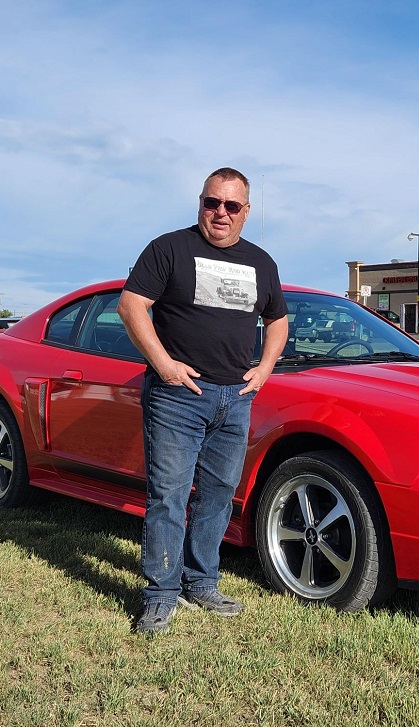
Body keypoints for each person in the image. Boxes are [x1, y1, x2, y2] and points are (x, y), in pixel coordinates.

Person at [118, 168, 289, 636]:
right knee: (169, 497)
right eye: (212, 202)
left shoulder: (261, 262)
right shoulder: (169, 249)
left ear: (246, 211)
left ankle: (202, 582)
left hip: (235, 398)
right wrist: (165, 365)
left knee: (218, 495)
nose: (221, 213)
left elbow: (277, 320)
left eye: (232, 206)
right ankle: (160, 595)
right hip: (178, 396)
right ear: (200, 202)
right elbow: (131, 305)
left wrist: (265, 368)